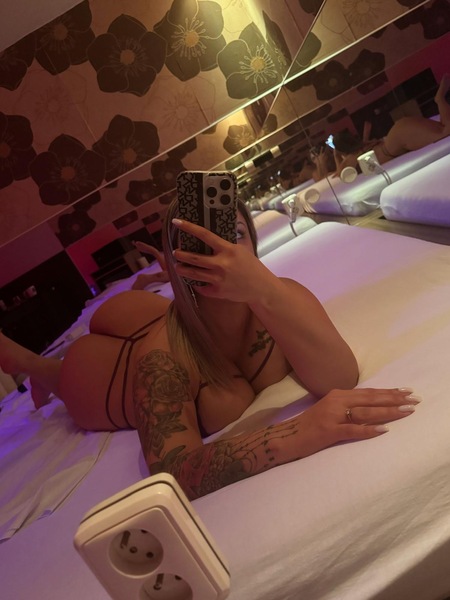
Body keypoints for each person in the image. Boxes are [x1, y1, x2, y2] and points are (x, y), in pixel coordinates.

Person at [0, 199, 420, 500]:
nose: (224, 254)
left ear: (253, 243)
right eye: (201, 245)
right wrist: (299, 431)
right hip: (108, 370)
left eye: (235, 235)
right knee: (67, 375)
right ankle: (34, 365)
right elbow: (174, 470)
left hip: (162, 313)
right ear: (178, 261)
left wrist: (265, 292)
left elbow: (339, 378)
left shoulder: (281, 295)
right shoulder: (160, 357)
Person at [333, 73, 450, 177]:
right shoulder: (361, 147)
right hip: (397, 134)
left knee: (445, 133)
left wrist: (335, 155)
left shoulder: (349, 160)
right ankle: (440, 99)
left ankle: (439, 99)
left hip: (398, 139)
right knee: (442, 128)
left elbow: (340, 175)